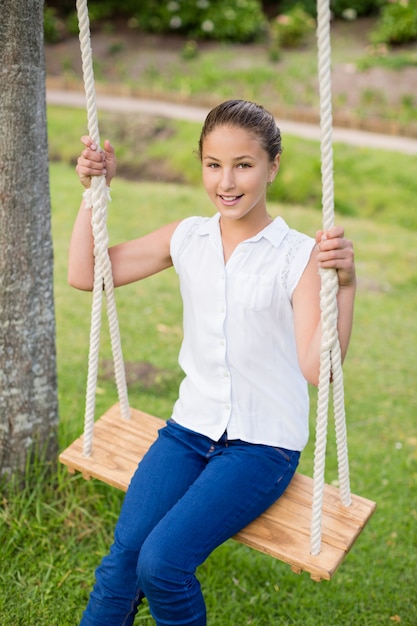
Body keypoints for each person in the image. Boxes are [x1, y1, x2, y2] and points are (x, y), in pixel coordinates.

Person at [69, 100, 356, 626]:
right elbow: (87, 273)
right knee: (122, 563)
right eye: (213, 164)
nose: (227, 181)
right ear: (201, 163)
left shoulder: (298, 255)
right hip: (188, 430)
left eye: (243, 165)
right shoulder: (188, 238)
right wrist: (95, 193)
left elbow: (320, 370)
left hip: (260, 446)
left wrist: (348, 285)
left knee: (163, 564)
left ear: (272, 167)